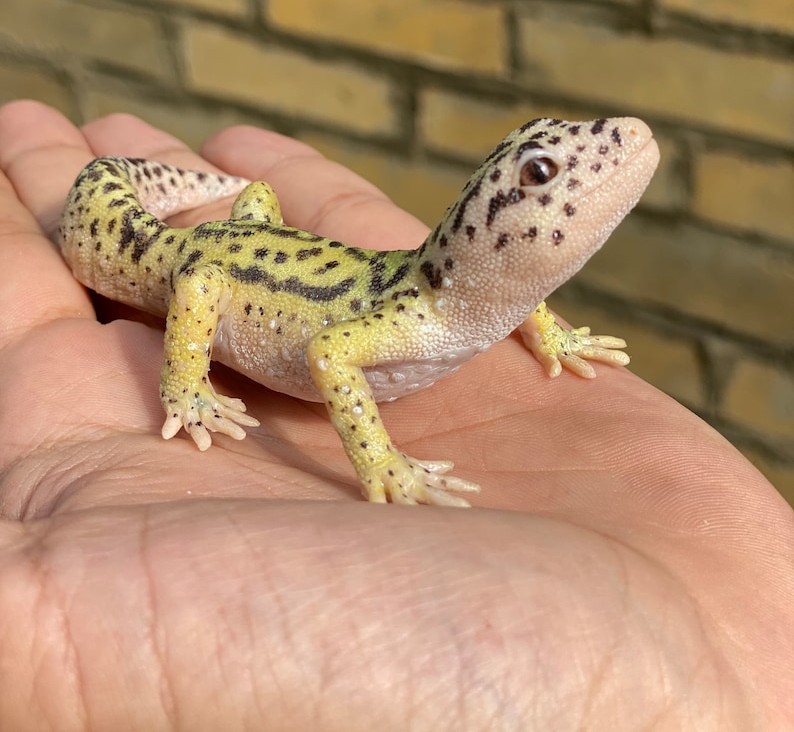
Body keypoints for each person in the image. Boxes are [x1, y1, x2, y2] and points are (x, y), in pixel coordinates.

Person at [0, 98, 791, 731]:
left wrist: (553, 332)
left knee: (243, 231)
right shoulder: (419, 315)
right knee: (209, 267)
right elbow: (332, 354)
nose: (616, 140)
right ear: (492, 229)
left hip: (251, 243)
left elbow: (518, 288)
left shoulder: (483, 292)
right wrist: (373, 459)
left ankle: (230, 221)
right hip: (200, 270)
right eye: (545, 169)